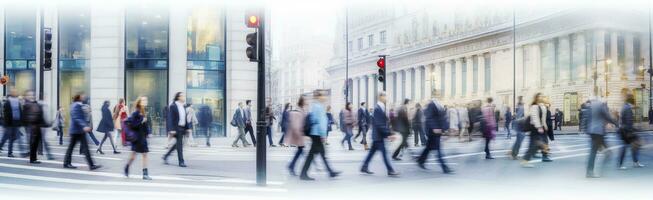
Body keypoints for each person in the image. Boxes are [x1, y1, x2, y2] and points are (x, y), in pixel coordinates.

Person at [299, 90, 341, 181]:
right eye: (323, 95)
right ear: (319, 97)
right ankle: (304, 173)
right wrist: (323, 135)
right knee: (316, 155)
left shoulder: (316, 106)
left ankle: (330, 172)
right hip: (317, 134)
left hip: (316, 133)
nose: (325, 97)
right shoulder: (318, 107)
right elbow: (320, 122)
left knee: (318, 154)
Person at [360, 92, 400, 177]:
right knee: (384, 154)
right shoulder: (377, 108)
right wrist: (389, 134)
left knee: (371, 153)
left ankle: (364, 166)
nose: (386, 98)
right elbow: (379, 124)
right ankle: (390, 170)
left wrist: (389, 133)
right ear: (380, 97)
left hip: (378, 136)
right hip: (378, 136)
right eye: (385, 96)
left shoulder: (380, 107)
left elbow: (382, 123)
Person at [63, 92, 101, 170]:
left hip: (79, 131)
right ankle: (67, 163)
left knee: (85, 148)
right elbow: (77, 118)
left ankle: (91, 165)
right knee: (72, 147)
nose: (84, 97)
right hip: (76, 131)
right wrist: (84, 126)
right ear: (78, 97)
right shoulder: (76, 106)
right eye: (82, 96)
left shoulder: (77, 105)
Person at [417, 93, 453, 174]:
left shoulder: (440, 105)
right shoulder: (431, 104)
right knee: (438, 149)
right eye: (437, 95)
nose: (439, 96)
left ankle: (421, 161)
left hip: (438, 130)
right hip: (433, 131)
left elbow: (443, 118)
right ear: (434, 96)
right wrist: (434, 128)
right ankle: (445, 168)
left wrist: (446, 129)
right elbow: (429, 118)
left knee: (428, 148)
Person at [584, 96, 618, 178]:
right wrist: (616, 123)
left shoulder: (590, 105)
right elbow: (607, 116)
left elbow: (586, 119)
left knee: (594, 151)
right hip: (599, 132)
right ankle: (593, 171)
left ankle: (590, 170)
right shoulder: (600, 105)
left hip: (592, 131)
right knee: (601, 152)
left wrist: (587, 130)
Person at [124, 96, 153, 180]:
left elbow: (145, 125)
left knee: (145, 154)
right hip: (137, 138)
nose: (145, 101)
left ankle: (145, 174)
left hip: (143, 137)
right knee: (133, 156)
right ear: (139, 102)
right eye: (143, 100)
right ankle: (127, 166)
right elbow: (132, 124)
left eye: (146, 100)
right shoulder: (136, 112)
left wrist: (148, 133)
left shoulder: (143, 111)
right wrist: (141, 121)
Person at [521, 93, 553, 168]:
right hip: (535, 128)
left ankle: (544, 155)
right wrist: (539, 127)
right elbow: (535, 117)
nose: (542, 97)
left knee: (544, 143)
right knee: (533, 145)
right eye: (540, 96)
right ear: (536, 98)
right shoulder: (534, 106)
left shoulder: (542, 106)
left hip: (542, 128)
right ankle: (525, 160)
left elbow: (543, 118)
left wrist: (545, 126)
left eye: (542, 96)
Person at [618, 93, 645, 170]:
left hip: (624, 131)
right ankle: (635, 162)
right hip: (627, 131)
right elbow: (629, 121)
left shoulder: (624, 107)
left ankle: (624, 163)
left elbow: (625, 120)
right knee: (636, 145)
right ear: (632, 101)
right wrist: (634, 130)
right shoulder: (628, 109)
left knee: (630, 146)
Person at [163, 92, 190, 168]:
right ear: (178, 97)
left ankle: (165, 156)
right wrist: (171, 129)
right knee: (180, 145)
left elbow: (184, 118)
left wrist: (188, 128)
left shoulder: (183, 106)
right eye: (182, 96)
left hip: (182, 127)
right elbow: (170, 118)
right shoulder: (173, 106)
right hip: (176, 128)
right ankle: (181, 162)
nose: (184, 97)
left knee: (177, 145)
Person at [22, 90, 49, 164]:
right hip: (32, 126)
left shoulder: (36, 103)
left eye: (32, 94)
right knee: (33, 143)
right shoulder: (26, 104)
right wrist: (28, 124)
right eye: (29, 95)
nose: (31, 96)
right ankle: (32, 159)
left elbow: (40, 114)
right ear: (26, 96)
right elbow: (25, 116)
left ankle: (34, 158)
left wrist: (44, 123)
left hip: (37, 126)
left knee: (36, 142)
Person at [0, 89, 26, 158]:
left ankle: (19, 152)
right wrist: (6, 123)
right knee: (9, 138)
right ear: (11, 93)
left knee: (14, 138)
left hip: (16, 123)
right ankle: (10, 153)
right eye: (14, 92)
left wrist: (21, 122)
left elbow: (20, 112)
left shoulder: (18, 101)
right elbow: (5, 114)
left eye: (16, 92)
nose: (15, 93)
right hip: (9, 123)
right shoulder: (7, 102)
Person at [286, 96, 308, 176]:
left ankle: (291, 166)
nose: (306, 102)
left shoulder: (301, 110)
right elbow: (296, 125)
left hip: (299, 134)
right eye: (305, 101)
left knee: (300, 151)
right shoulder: (298, 111)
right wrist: (299, 135)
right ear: (302, 102)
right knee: (301, 151)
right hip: (298, 134)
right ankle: (292, 166)